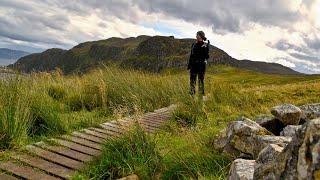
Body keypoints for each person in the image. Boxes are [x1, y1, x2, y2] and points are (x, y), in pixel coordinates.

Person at [187, 31, 209, 97]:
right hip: (193, 65)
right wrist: (189, 65)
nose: (196, 36)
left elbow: (207, 57)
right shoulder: (193, 45)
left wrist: (206, 48)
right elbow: (191, 55)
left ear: (200, 36)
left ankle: (201, 96)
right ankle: (192, 95)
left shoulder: (204, 45)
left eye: (197, 35)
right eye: (196, 35)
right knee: (192, 80)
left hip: (201, 66)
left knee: (200, 81)